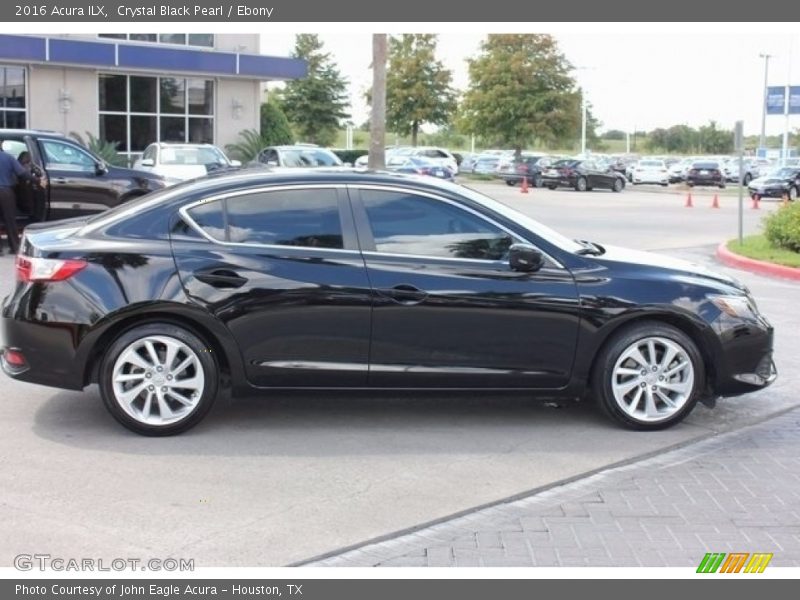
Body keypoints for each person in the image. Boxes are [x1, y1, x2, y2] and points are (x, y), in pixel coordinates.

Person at [0, 144, 33, 256]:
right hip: (6, 192)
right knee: (10, 221)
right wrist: (37, 180)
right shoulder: (8, 157)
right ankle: (14, 247)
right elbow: (22, 173)